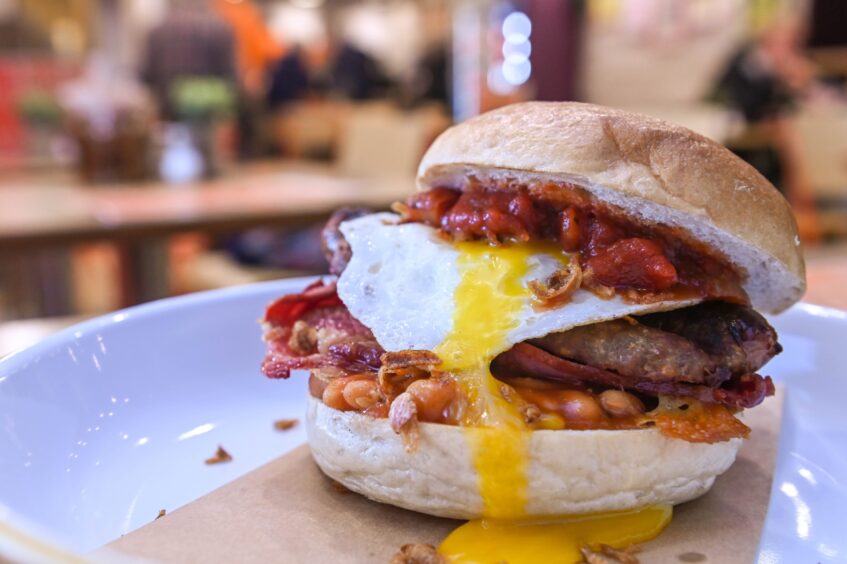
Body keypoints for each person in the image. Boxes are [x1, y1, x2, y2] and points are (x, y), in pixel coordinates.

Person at [712, 16, 827, 242]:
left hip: (777, 136)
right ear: (768, 39)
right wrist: (778, 78)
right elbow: (739, 101)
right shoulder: (747, 62)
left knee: (802, 134)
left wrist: (802, 83)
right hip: (742, 138)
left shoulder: (791, 62)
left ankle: (807, 210)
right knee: (790, 136)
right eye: (786, 41)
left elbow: (807, 102)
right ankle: (802, 209)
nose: (792, 47)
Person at [141, 0, 236, 121]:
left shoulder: (156, 32)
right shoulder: (221, 29)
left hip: (169, 109)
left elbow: (148, 75)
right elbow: (229, 75)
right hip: (210, 112)